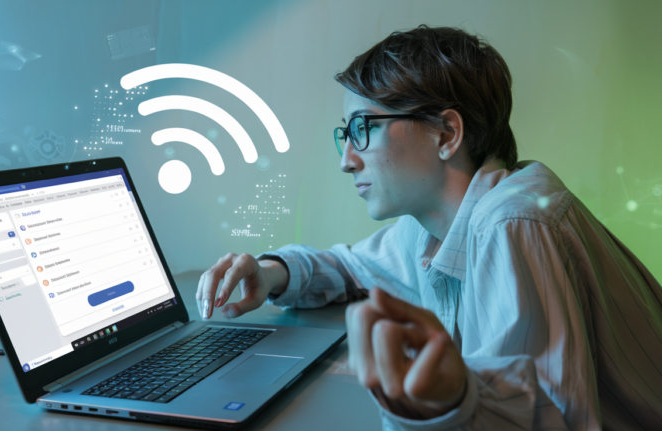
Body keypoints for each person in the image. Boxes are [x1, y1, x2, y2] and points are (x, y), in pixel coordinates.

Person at [196, 25, 662, 430]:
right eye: (346, 132)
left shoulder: (513, 224)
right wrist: (272, 270)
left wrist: (440, 403)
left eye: (363, 128)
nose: (346, 160)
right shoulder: (433, 226)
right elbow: (350, 267)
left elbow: (550, 419)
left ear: (446, 134)